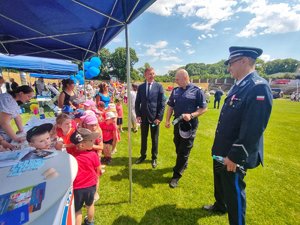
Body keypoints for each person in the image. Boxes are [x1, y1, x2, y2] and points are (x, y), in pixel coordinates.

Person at [203, 46, 273, 225]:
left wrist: (235, 156)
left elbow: (253, 128)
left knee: (234, 193)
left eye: (231, 63)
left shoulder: (258, 87)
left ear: (244, 61)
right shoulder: (239, 85)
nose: (229, 68)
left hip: (234, 153)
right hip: (223, 147)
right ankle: (220, 205)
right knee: (220, 183)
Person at [165, 69, 207, 188]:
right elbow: (170, 106)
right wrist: (167, 120)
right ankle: (184, 162)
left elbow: (204, 108)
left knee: (184, 150)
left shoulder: (197, 90)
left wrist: (192, 115)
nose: (175, 81)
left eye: (177, 79)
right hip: (177, 123)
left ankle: (176, 175)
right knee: (177, 145)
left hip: (190, 125)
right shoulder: (175, 90)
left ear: (185, 77)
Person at [135, 67, 165, 168]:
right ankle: (142, 155)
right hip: (143, 118)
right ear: (145, 75)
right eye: (149, 74)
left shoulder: (159, 87)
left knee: (154, 139)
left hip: (154, 119)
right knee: (143, 138)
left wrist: (159, 118)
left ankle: (154, 158)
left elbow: (162, 104)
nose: (152, 76)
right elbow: (137, 102)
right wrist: (138, 115)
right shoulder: (141, 87)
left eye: (153, 73)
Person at [70, 128, 101, 225]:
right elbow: (98, 169)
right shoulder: (93, 155)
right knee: (90, 204)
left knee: (77, 210)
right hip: (91, 186)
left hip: (77, 188)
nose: (94, 142)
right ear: (82, 144)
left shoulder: (72, 157)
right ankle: (90, 221)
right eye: (91, 140)